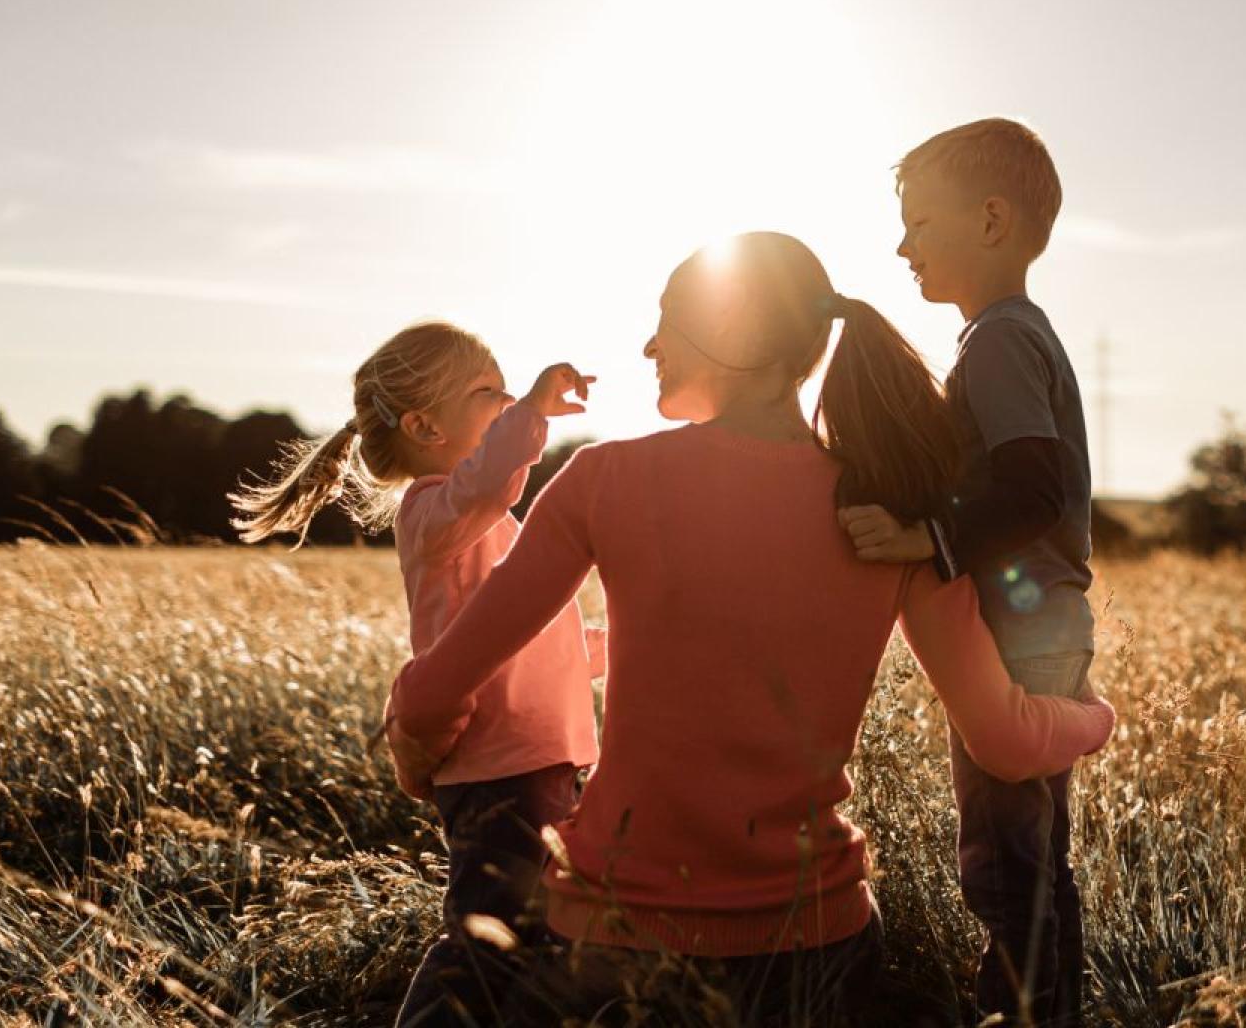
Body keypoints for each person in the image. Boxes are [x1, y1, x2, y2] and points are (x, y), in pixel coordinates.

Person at [389, 232, 1116, 1025]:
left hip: (611, 950)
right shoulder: (892, 518)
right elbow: (1005, 742)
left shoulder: (602, 480)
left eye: (667, 319)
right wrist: (1094, 718)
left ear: (730, 327)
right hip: (816, 953)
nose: (649, 345)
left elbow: (432, 692)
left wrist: (416, 754)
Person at [227, 321, 604, 1028]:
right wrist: (533, 413)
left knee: (537, 936)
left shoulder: (476, 523)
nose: (506, 402)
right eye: (489, 393)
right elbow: (488, 485)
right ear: (425, 426)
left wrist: (619, 647)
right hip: (499, 771)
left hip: (536, 761)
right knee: (488, 943)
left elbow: (532, 635)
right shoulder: (435, 514)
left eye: (508, 394)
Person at [838, 117, 1098, 1025]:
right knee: (1039, 864)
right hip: (1048, 629)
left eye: (919, 223)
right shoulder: (1016, 334)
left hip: (1019, 639)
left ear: (990, 221)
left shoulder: (997, 343)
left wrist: (927, 538)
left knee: (1004, 868)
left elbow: (1035, 489)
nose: (902, 246)